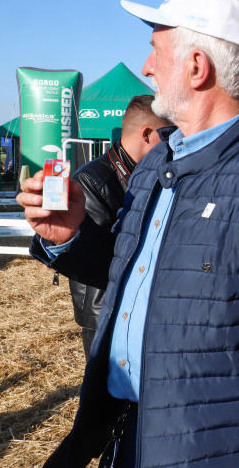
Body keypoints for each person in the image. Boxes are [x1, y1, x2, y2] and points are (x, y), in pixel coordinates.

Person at [18, 0, 239, 467]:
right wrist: (71, 238)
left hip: (207, 449)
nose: (146, 67)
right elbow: (135, 275)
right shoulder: (155, 163)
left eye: (155, 51)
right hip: (123, 431)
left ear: (196, 66)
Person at [69, 94, 172, 359]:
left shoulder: (150, 174)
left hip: (136, 302)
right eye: (168, 134)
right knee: (105, 391)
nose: (173, 143)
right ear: (147, 134)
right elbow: (96, 253)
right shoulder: (93, 179)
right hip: (102, 306)